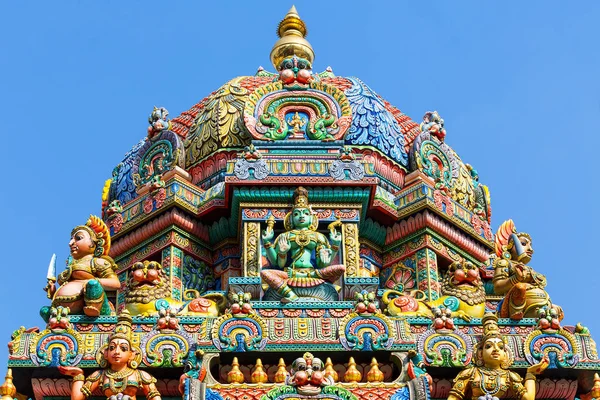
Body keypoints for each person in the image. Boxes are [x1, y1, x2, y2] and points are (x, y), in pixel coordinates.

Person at [261, 187, 345, 302]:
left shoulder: (318, 236)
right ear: (290, 219)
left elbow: (322, 264)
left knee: (341, 268)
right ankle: (290, 295)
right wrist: (269, 244)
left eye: (305, 213)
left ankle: (289, 291)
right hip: (290, 274)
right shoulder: (285, 236)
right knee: (265, 273)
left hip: (313, 274)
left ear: (311, 218)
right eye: (296, 214)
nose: (301, 216)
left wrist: (335, 246)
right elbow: (278, 264)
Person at [58, 310, 161, 400]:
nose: (116, 352)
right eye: (112, 348)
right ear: (105, 353)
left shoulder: (140, 375)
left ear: (132, 354)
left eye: (123, 348)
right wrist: (78, 375)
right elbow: (77, 398)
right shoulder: (100, 375)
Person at [448, 313, 548, 400]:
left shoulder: (509, 376)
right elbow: (453, 398)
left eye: (500, 347)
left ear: (505, 354)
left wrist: (531, 374)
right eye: (488, 346)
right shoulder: (470, 373)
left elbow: (528, 398)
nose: (495, 349)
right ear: (480, 353)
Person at [43, 215, 120, 318]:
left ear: (93, 243)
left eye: (78, 238)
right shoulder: (71, 265)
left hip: (94, 304)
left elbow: (116, 283)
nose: (70, 243)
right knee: (43, 311)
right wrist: (53, 291)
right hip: (62, 310)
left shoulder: (97, 262)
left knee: (93, 285)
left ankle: (93, 309)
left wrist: (89, 282)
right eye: (71, 240)